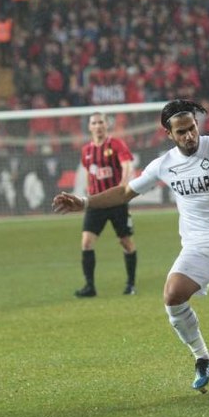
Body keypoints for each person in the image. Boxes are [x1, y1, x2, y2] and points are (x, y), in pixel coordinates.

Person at [53, 100, 209, 393]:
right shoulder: (164, 164)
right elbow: (126, 192)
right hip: (197, 246)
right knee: (172, 296)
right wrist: (85, 202)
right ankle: (202, 358)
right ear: (169, 134)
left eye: (192, 128)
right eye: (181, 132)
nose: (190, 136)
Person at [73, 112, 138, 298]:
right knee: (86, 242)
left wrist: (122, 187)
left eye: (101, 122)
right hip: (96, 202)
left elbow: (127, 165)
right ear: (89, 127)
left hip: (116, 201)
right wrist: (88, 192)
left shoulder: (116, 144)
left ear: (106, 125)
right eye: (94, 122)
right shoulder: (86, 150)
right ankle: (89, 286)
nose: (98, 125)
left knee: (125, 242)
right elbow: (88, 174)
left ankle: (131, 284)